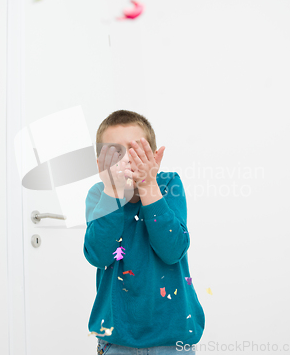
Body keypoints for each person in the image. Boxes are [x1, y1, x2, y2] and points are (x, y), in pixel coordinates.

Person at [84, 110, 205, 354]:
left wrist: (149, 185)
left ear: (154, 158)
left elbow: (173, 250)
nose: (125, 159)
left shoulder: (169, 186)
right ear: (100, 164)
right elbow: (99, 255)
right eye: (114, 152)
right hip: (116, 339)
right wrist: (114, 192)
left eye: (134, 150)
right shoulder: (99, 195)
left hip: (173, 338)